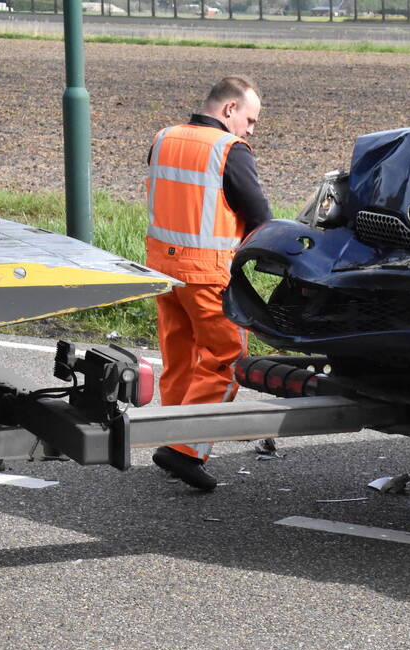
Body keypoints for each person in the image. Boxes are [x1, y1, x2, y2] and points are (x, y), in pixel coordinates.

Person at [146, 76, 271, 490]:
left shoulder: (163, 138)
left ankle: (168, 437)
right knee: (227, 358)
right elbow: (259, 216)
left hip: (163, 271)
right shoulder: (229, 151)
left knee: (179, 358)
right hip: (207, 275)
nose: (251, 129)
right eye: (249, 119)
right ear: (229, 109)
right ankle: (185, 450)